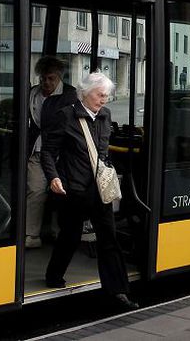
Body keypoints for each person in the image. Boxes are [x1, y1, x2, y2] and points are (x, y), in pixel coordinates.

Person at [41, 72, 138, 309]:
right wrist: (53, 177)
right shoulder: (65, 116)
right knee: (70, 236)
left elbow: (103, 152)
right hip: (73, 189)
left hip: (99, 190)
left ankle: (118, 292)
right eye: (99, 94)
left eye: (106, 95)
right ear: (84, 94)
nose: (104, 99)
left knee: (109, 239)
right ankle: (54, 275)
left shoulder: (105, 115)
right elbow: (48, 151)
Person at [26, 56, 76, 249]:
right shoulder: (33, 94)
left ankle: (57, 230)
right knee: (36, 190)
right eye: (43, 79)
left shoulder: (70, 95)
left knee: (61, 194)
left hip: (62, 153)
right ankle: (32, 234)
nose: (46, 83)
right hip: (37, 151)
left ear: (59, 78)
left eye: (51, 79)